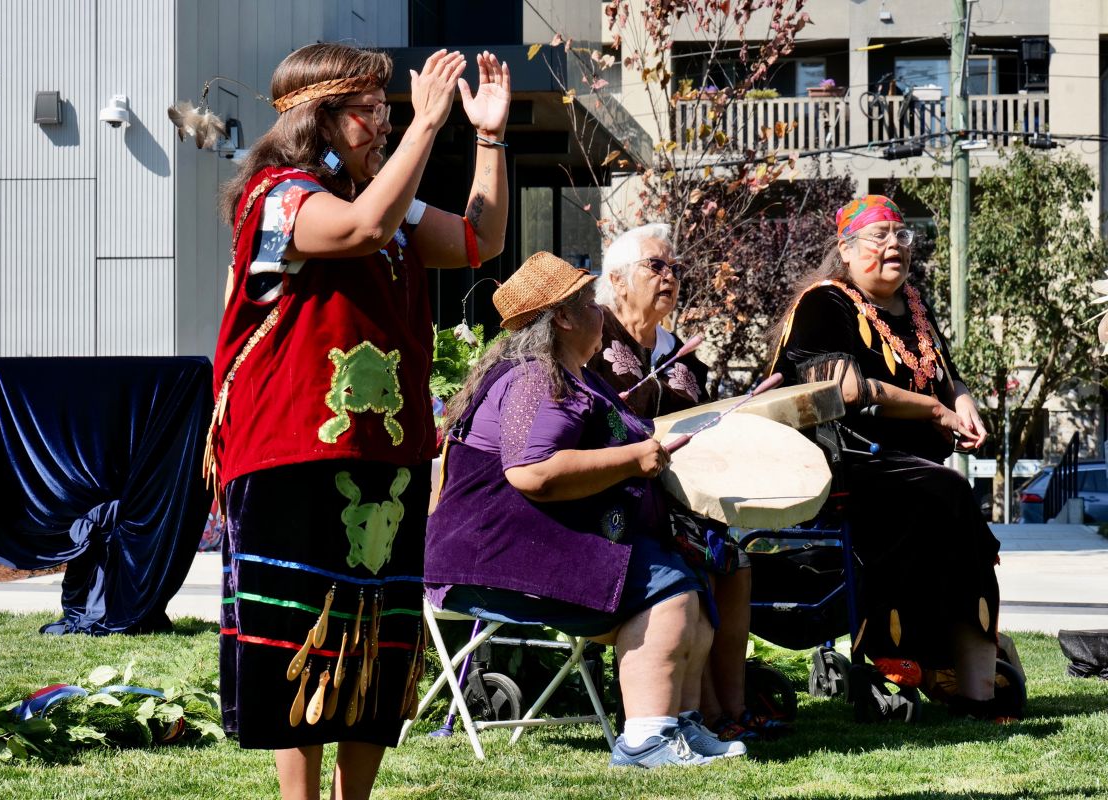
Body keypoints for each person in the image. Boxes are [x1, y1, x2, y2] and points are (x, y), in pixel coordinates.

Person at [206, 43, 511, 800]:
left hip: (388, 452)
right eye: (366, 111)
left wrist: (490, 138)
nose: (382, 123)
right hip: (293, 453)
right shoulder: (278, 196)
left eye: (387, 110)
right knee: (300, 639)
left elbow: (481, 240)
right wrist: (427, 125)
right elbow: (359, 230)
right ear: (318, 117)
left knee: (380, 637)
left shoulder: (387, 202)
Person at [424, 251, 747, 768]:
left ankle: (680, 725)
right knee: (664, 592)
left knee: (683, 585)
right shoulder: (536, 380)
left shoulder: (569, 377)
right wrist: (632, 457)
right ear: (564, 318)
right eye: (592, 304)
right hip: (494, 551)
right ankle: (648, 738)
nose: (603, 313)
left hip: (530, 539)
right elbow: (533, 472)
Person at [768, 194, 1008, 719]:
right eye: (879, 237)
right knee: (948, 494)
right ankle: (902, 663)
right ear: (847, 250)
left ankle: (977, 691)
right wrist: (932, 411)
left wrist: (962, 404)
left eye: (902, 235)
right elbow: (847, 390)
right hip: (852, 462)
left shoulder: (915, 305)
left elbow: (946, 373)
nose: (895, 245)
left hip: (917, 469)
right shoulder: (825, 303)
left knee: (952, 503)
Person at [586, 223, 783, 742]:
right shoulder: (591, 333)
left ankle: (731, 708)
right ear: (618, 279)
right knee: (695, 557)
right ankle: (708, 716)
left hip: (684, 497)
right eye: (656, 266)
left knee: (734, 559)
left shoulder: (683, 351)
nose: (669, 276)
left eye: (675, 268)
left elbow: (705, 423)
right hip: (617, 497)